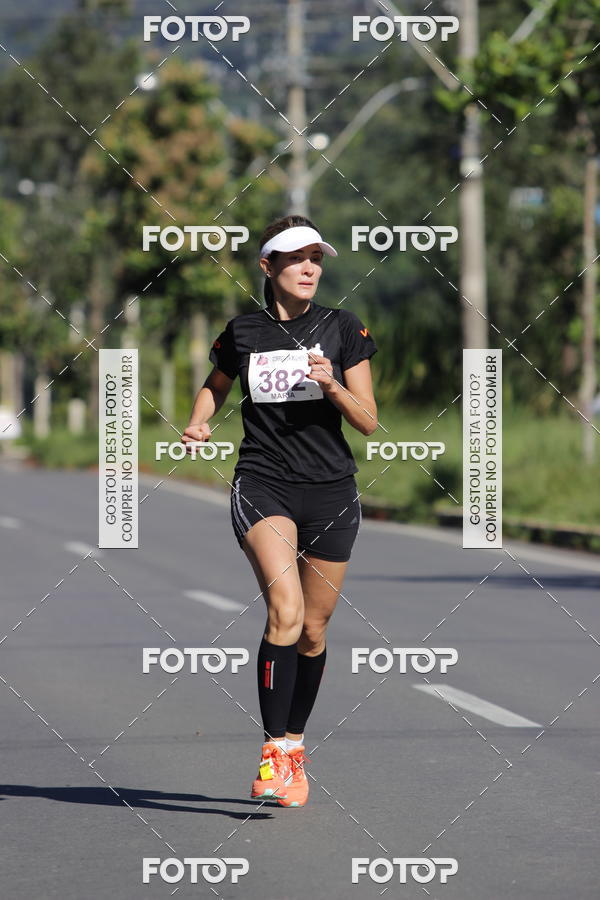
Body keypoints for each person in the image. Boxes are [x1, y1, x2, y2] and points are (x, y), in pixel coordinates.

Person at [182, 214, 378, 808]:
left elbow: (369, 421)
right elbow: (216, 383)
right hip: (264, 482)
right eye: (295, 259)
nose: (310, 268)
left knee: (314, 631)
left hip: (331, 490)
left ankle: (294, 746)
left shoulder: (343, 329)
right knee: (285, 611)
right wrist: (199, 419)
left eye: (316, 257)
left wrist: (332, 386)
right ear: (268, 268)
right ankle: (273, 750)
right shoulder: (244, 332)